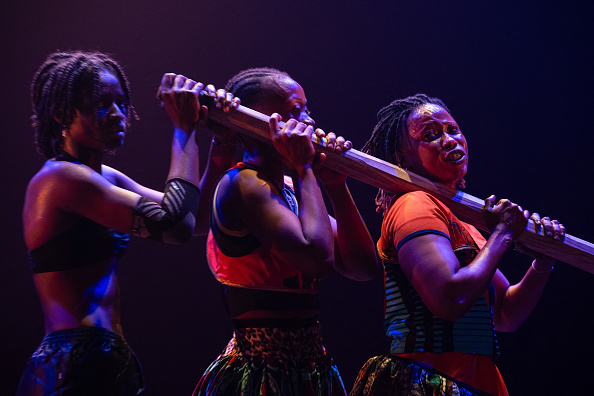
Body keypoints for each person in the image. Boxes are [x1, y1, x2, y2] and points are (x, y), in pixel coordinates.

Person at [17, 51, 235, 395]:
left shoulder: (105, 177)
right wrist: (183, 131)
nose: (118, 114)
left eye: (121, 102)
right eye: (102, 104)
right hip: (71, 365)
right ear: (61, 113)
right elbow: (173, 225)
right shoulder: (61, 178)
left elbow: (195, 219)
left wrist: (223, 143)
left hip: (104, 356)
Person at [350, 94, 565, 396]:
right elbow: (450, 299)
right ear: (403, 157)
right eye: (431, 135)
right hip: (429, 381)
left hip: (472, 378)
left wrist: (542, 262)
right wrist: (503, 232)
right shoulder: (415, 205)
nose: (449, 140)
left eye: (452, 130)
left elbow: (504, 313)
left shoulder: (460, 221)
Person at [193, 68, 378, 396]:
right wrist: (305, 168)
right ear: (253, 121)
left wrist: (336, 185)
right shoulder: (243, 185)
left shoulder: (291, 188)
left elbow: (363, 267)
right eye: (294, 111)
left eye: (306, 109)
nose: (307, 120)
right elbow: (318, 257)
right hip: (261, 374)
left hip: (309, 369)